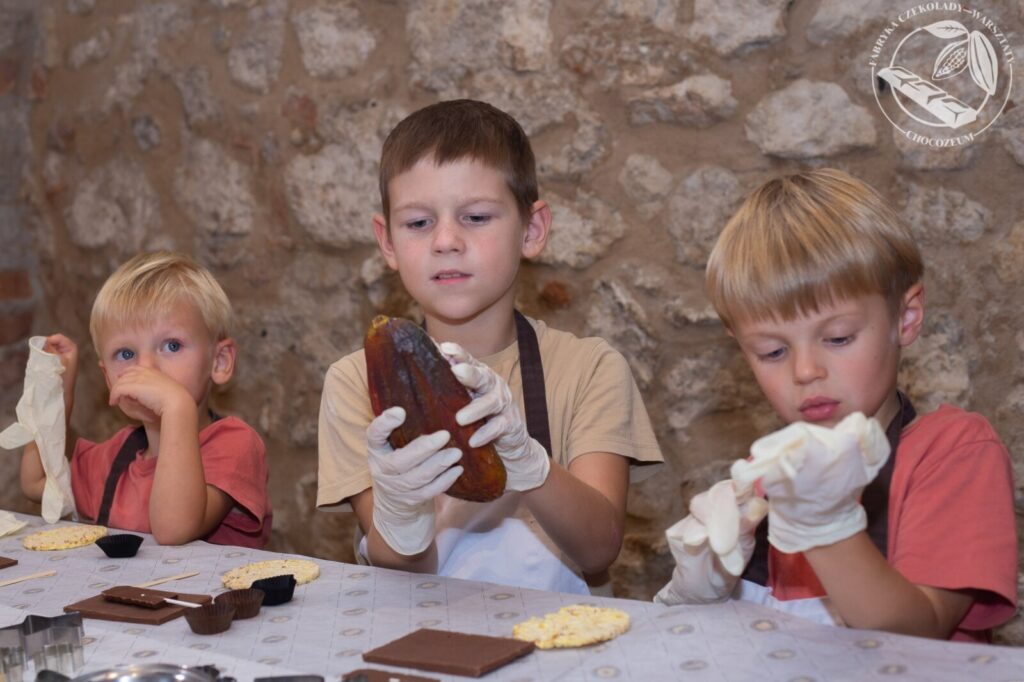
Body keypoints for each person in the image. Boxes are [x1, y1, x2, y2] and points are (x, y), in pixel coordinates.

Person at [317, 99, 663, 594]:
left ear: (532, 229)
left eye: (476, 217)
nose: (446, 241)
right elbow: (408, 574)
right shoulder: (355, 382)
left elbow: (599, 548)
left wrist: (529, 462)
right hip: (422, 643)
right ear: (387, 242)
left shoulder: (590, 369)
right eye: (418, 223)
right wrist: (401, 509)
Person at [658, 168, 1016, 642]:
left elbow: (919, 629)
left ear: (904, 318)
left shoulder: (952, 452)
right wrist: (699, 591)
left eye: (838, 337)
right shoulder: (766, 474)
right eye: (772, 351)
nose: (806, 370)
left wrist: (825, 527)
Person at [20, 251, 271, 548]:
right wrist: (54, 393)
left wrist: (177, 408)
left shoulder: (233, 444)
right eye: (126, 354)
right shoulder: (118, 455)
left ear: (219, 361)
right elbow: (38, 483)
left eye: (172, 345)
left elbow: (174, 530)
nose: (147, 367)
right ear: (109, 378)